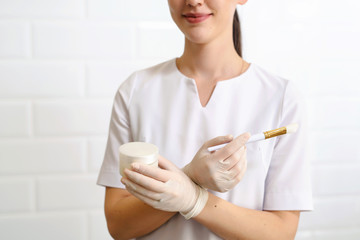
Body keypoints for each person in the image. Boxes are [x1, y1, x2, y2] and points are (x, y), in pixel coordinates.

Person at [97, 0, 313, 239]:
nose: (193, 1)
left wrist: (194, 199)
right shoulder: (136, 91)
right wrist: (191, 175)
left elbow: (281, 232)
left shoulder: (280, 97)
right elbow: (119, 224)